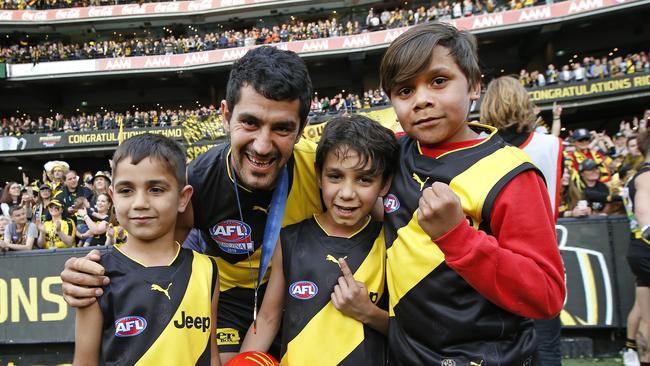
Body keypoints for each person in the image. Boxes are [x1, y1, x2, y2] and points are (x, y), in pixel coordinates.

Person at [61, 46, 323, 363]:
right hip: (228, 299)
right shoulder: (197, 182)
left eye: (282, 128)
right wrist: (88, 277)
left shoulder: (324, 172)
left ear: (302, 125)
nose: (263, 146)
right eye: (250, 123)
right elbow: (153, 261)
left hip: (302, 289)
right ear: (226, 116)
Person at [378, 22, 565, 364]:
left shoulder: (510, 173)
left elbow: (547, 294)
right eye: (404, 90)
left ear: (474, 86)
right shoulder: (394, 152)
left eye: (438, 81)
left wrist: (458, 237)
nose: (421, 100)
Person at [239, 115, 397, 364]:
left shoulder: (391, 242)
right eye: (335, 176)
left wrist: (368, 312)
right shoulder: (290, 239)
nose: (347, 193)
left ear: (384, 183)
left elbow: (410, 333)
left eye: (364, 179)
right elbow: (268, 319)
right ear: (318, 176)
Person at [73, 133, 221, 366]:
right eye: (126, 190)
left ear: (183, 198)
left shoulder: (207, 269)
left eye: (156, 189)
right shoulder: (97, 273)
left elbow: (211, 355)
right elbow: (84, 361)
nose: (140, 202)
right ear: (112, 196)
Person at [480, 75, 564, 365]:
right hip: (543, 257)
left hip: (496, 263)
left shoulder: (479, 150)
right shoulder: (551, 144)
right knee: (549, 347)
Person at [622, 129, 650, 366]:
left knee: (645, 311)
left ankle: (635, 354)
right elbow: (643, 213)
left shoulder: (637, 174)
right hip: (646, 245)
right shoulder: (646, 176)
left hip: (639, 246)